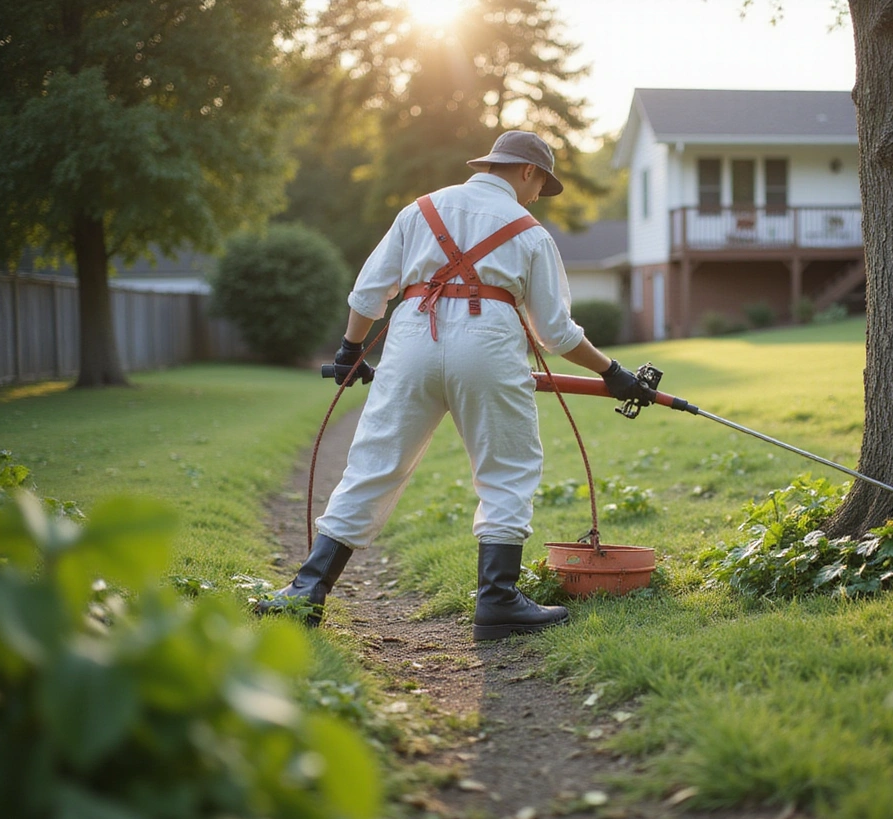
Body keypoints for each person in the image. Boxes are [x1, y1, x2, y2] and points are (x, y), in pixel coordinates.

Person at [257, 130, 653, 640]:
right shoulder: (530, 233)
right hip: (488, 343)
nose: (537, 197)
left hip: (412, 338)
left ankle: (307, 590)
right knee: (506, 468)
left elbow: (368, 292)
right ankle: (497, 602)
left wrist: (351, 351)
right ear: (527, 171)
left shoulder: (419, 210)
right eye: (541, 185)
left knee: (375, 461)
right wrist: (610, 371)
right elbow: (556, 334)